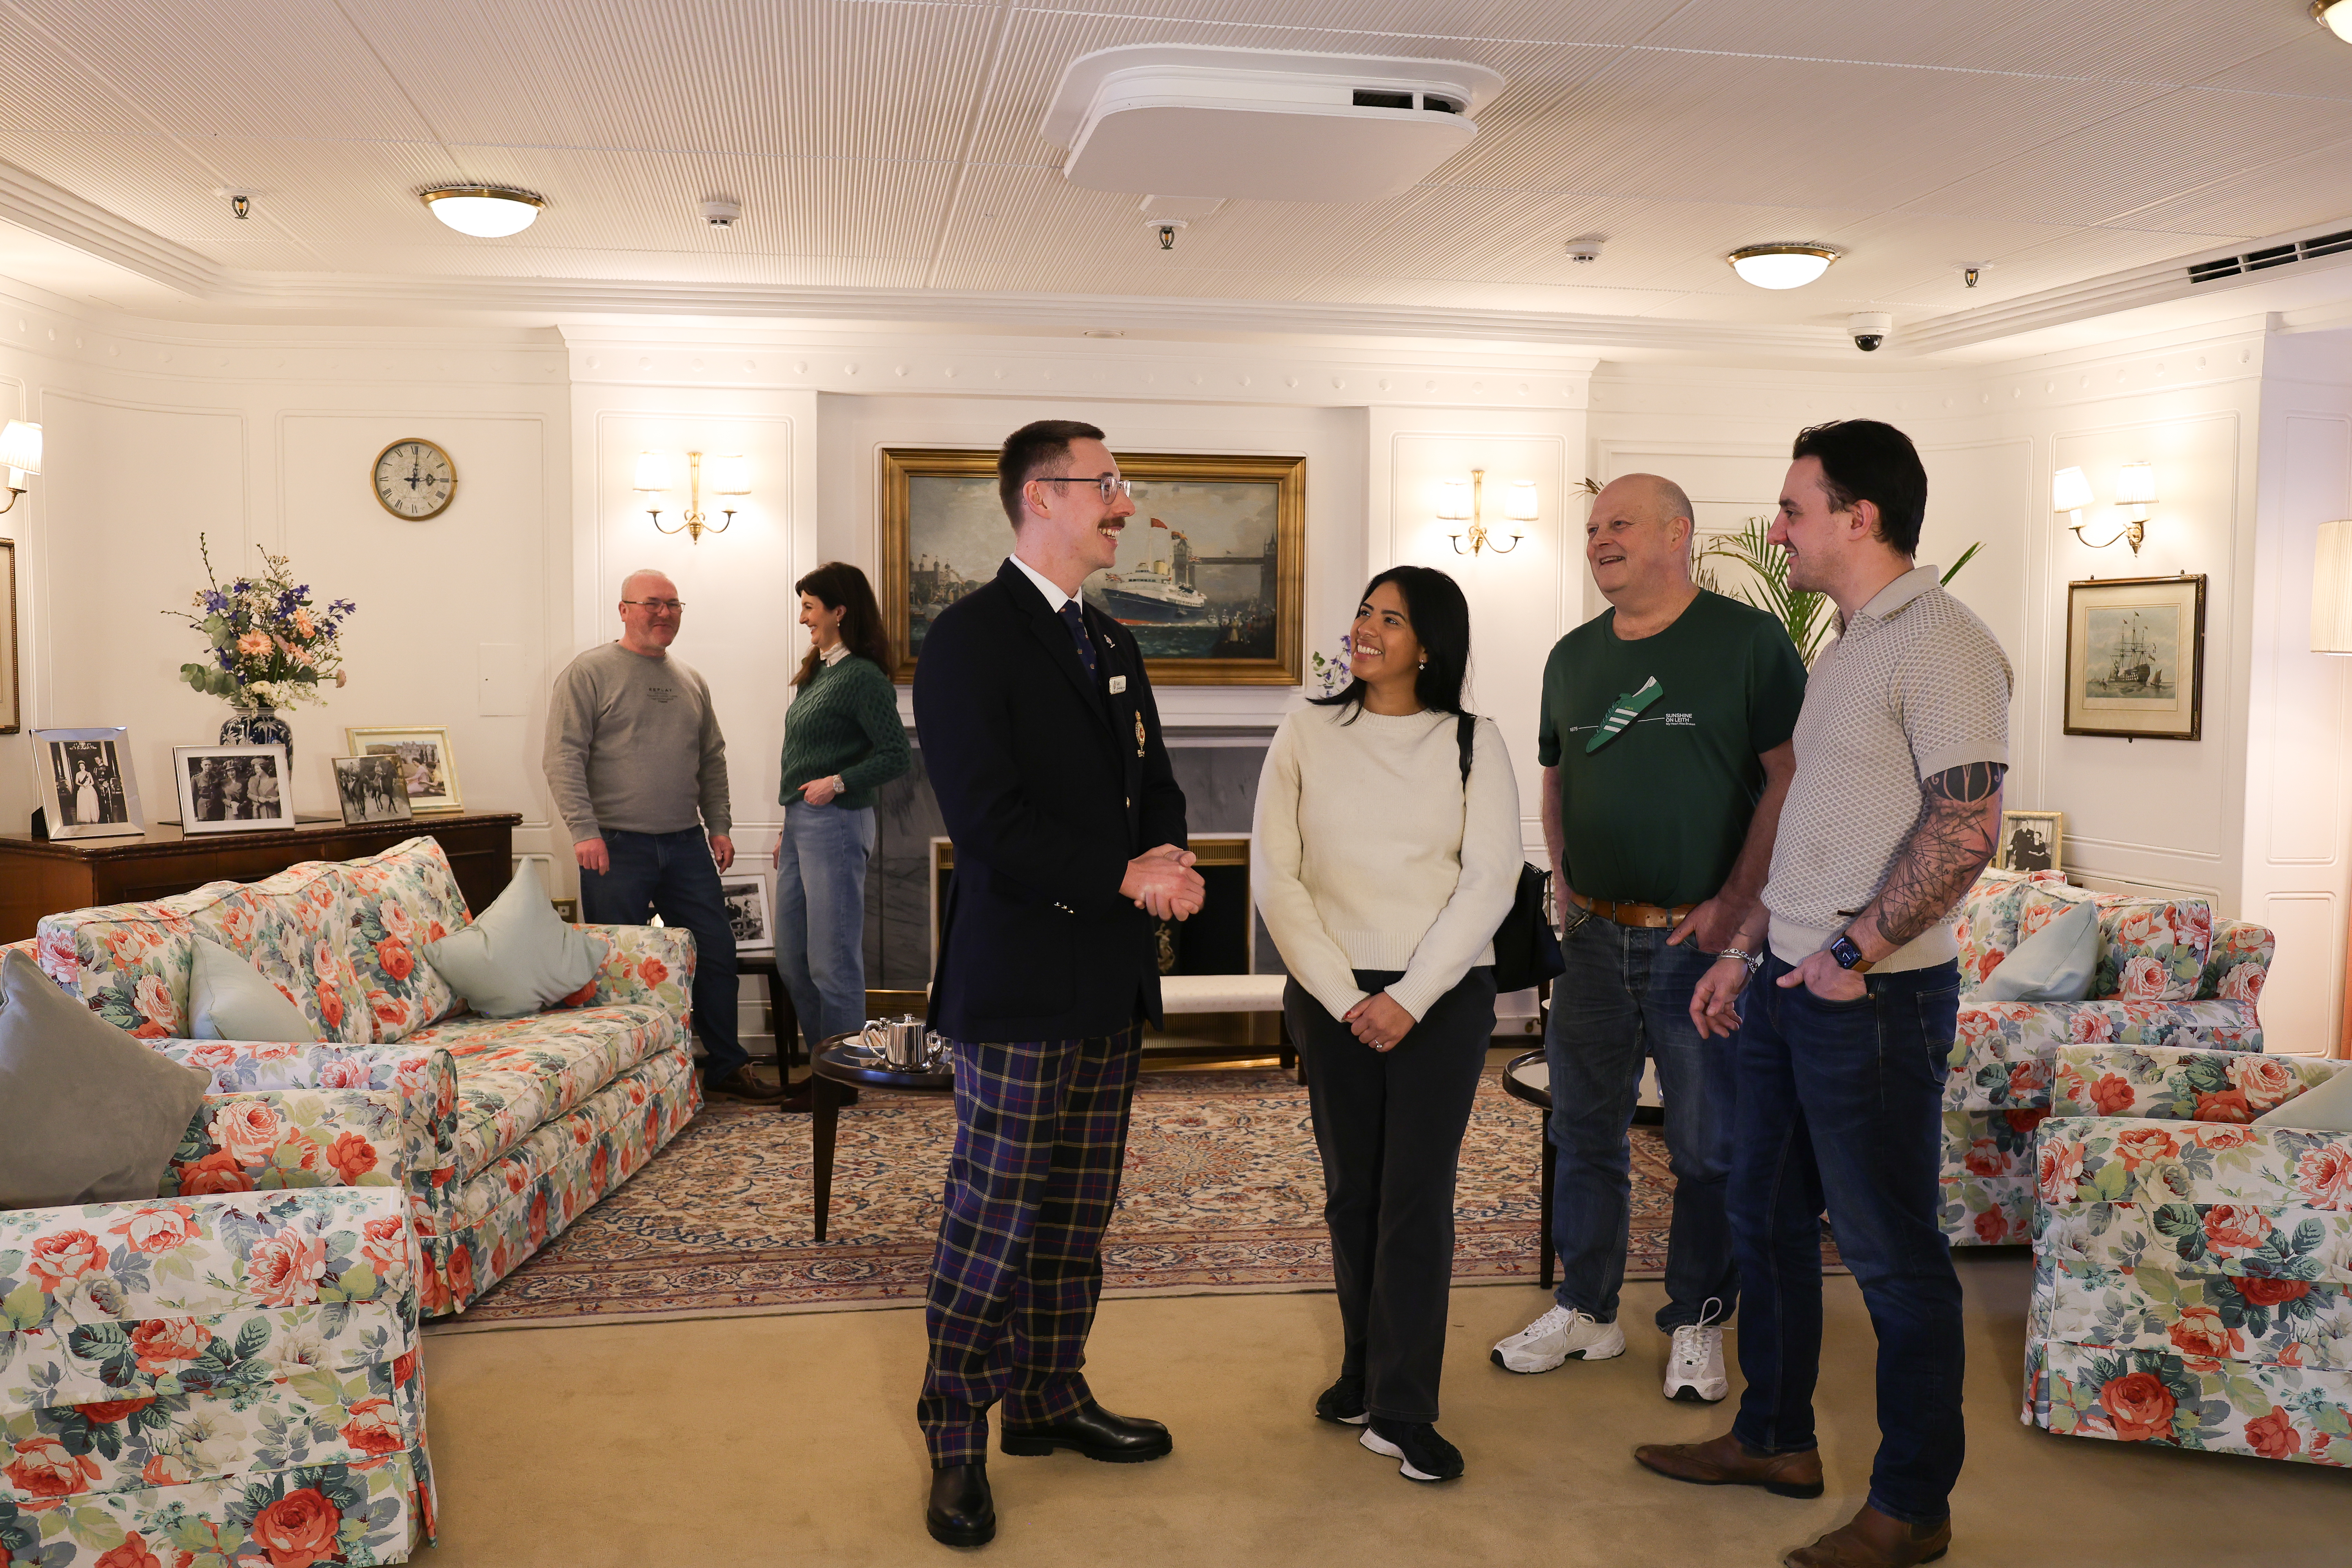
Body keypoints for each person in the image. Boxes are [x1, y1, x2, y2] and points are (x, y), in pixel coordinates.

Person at [1635, 421, 2010, 1568]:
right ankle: (1775, 1440)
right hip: (1790, 989)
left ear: (1862, 516)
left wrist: (1848, 960)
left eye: (1795, 509)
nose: (1779, 528)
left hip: (1875, 1005)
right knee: (1763, 1217)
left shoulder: (1941, 641)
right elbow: (1817, 825)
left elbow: (1967, 826)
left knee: (1894, 1257)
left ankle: (1912, 1509)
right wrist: (1747, 947)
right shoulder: (1848, 643)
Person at [910, 419, 1203, 1549]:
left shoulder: (1114, 642)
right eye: (1107, 485)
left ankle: (1048, 1398)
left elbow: (1156, 788)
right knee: (992, 1221)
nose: (1123, 503)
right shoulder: (970, 641)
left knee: (1079, 1216)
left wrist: (1167, 859)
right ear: (1043, 497)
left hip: (1107, 982)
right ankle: (954, 1445)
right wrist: (1123, 872)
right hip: (1021, 981)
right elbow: (987, 823)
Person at [1491, 475, 1804, 1402]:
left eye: (1618, 523)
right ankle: (1586, 1309)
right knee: (1585, 1130)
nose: (1598, 540)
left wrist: (1738, 905)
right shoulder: (1571, 657)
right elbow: (1556, 779)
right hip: (1593, 942)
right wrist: (1563, 881)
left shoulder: (1748, 641)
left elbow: (1790, 778)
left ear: (1680, 532)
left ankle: (1698, 1318)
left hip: (1701, 947)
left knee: (1708, 1148)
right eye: (1591, 528)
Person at [1253, 565, 1521, 1486]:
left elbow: (1489, 881)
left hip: (1440, 998)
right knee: (1352, 1192)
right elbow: (1277, 879)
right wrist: (1340, 994)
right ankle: (1364, 1369)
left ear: (1430, 643)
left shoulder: (1474, 742)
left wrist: (1409, 993)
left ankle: (1404, 1408)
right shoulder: (1305, 730)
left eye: (1391, 618)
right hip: (1330, 995)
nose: (1367, 628)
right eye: (1364, 610)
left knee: (1415, 1200)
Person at [544, 568, 783, 1105]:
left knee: (717, 953)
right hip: (613, 846)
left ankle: (726, 1065)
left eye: (674, 605)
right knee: (618, 967)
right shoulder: (588, 673)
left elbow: (712, 759)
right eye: (652, 604)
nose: (664, 613)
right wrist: (584, 832)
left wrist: (719, 824)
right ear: (624, 609)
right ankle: (625, 1078)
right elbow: (562, 758)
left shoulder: (691, 680)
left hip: (685, 844)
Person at [773, 561, 911, 1112]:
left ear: (839, 612)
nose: (803, 616)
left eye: (810, 606)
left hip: (837, 820)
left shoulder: (862, 677)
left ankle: (841, 1076)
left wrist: (838, 783)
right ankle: (827, 1063)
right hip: (802, 823)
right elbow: (800, 756)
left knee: (832, 960)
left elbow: (896, 755)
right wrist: (790, 825)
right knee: (793, 958)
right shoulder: (820, 672)